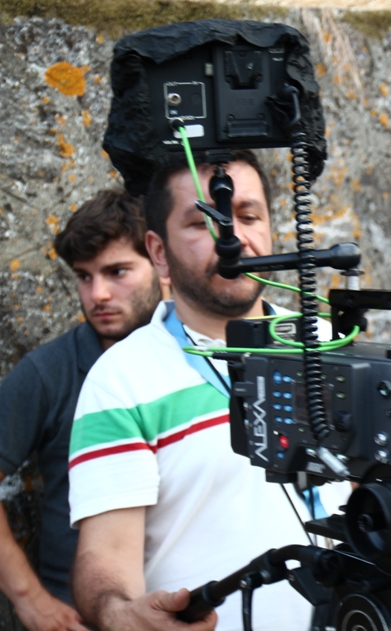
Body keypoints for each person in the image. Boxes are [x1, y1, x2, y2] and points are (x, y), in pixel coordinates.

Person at [68, 152, 335, 631]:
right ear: (159, 252)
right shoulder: (121, 380)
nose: (232, 238)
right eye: (201, 222)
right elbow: (103, 558)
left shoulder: (327, 342)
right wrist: (121, 614)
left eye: (248, 216)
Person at [0, 189, 164, 631]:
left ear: (161, 262)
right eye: (84, 276)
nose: (98, 294)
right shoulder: (48, 372)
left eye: (116, 272)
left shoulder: (199, 358)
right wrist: (29, 598)